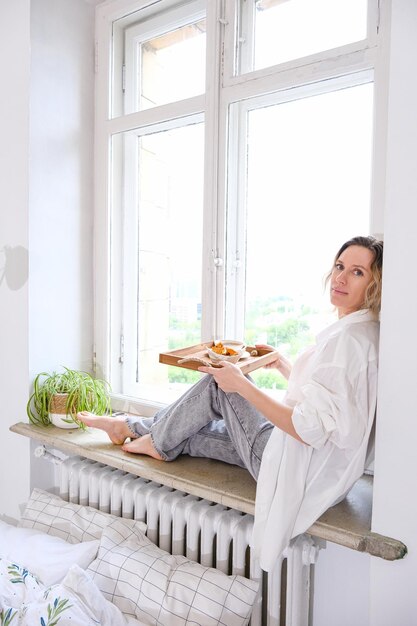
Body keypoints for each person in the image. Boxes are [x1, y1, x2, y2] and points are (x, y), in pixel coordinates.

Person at [78, 235, 383, 570]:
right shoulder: (363, 334)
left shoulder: (346, 343)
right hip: (317, 472)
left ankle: (156, 441)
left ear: (375, 285)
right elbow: (328, 405)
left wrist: (240, 385)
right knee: (194, 431)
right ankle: (133, 428)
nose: (340, 277)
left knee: (218, 382)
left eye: (357, 272)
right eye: (340, 266)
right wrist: (282, 364)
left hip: (291, 463)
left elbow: (307, 427)